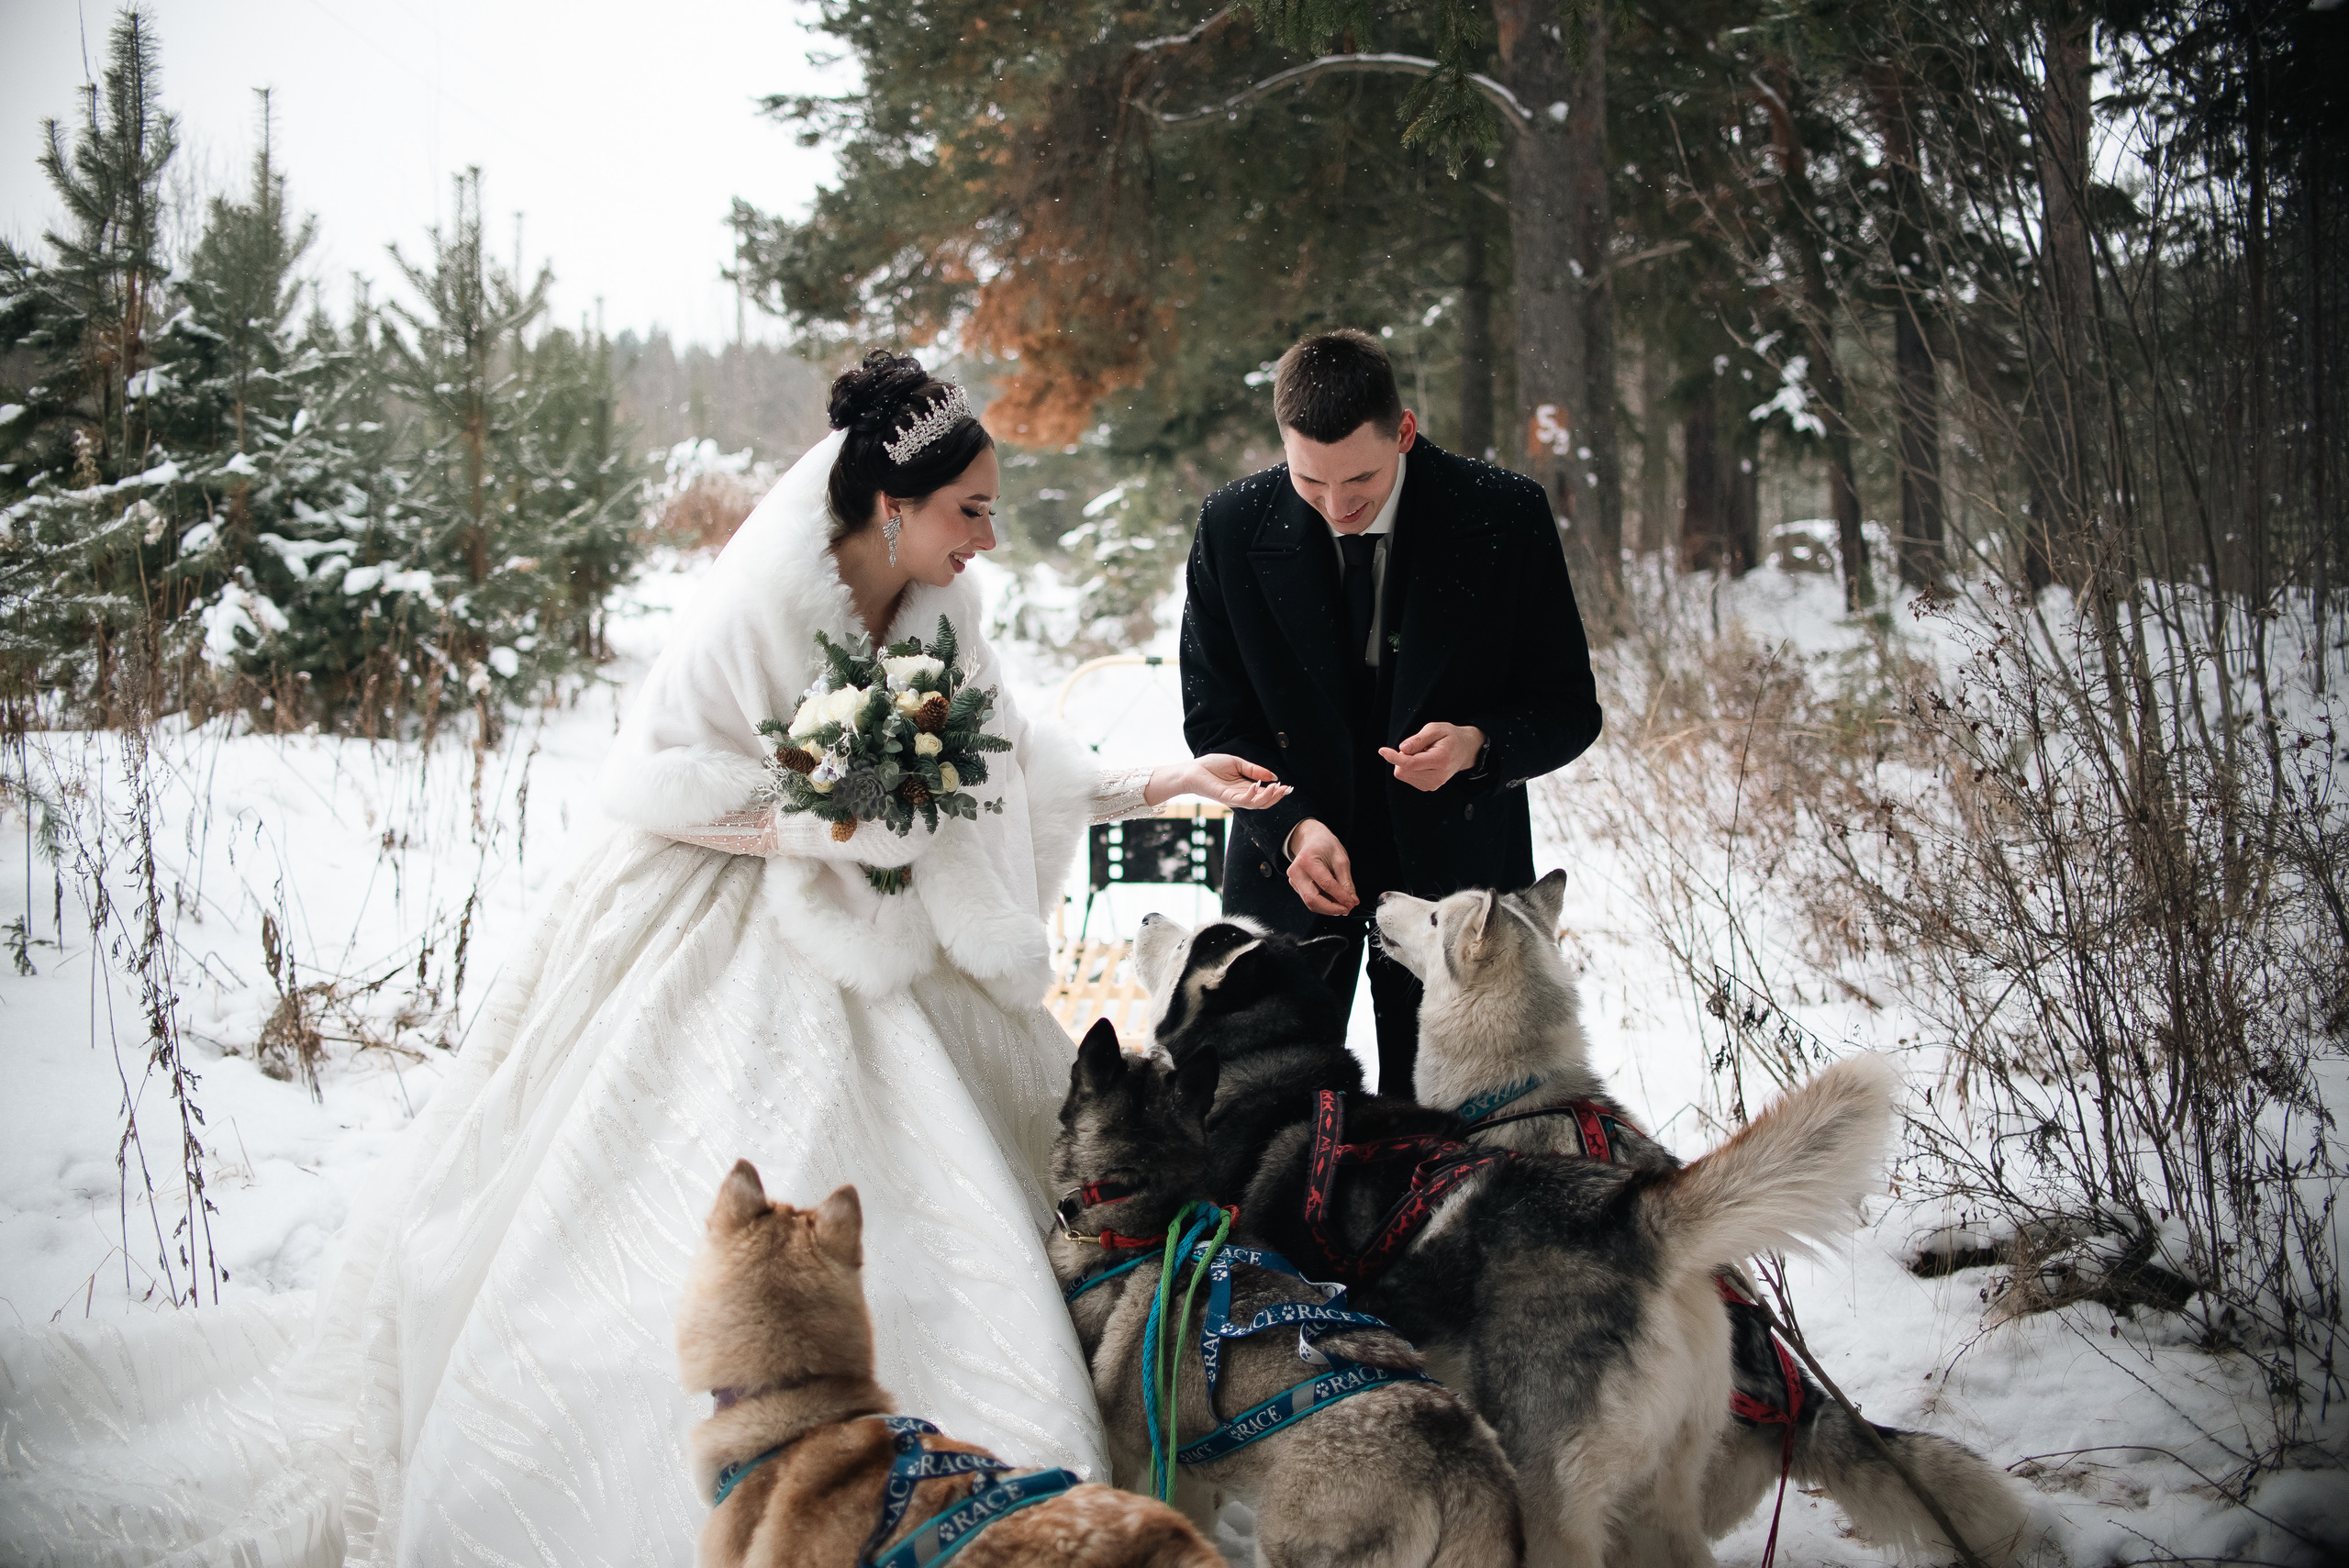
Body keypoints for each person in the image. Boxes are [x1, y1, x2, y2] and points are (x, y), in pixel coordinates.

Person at [0, 351, 1286, 1566]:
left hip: (881, 924)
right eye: (970, 509)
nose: (986, 538)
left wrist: (1166, 778)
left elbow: (1004, 753)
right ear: (891, 506)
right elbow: (657, 780)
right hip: (715, 913)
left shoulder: (948, 603)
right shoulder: (756, 599)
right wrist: (816, 813)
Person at [1180, 328, 1603, 1096]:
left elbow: (1570, 707)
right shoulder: (1230, 527)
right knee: (1271, 1127)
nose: (1338, 508)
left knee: (1444, 1144)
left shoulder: (1506, 515)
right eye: (1311, 483)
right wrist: (1292, 826)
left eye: (1362, 481)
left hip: (1458, 890)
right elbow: (1216, 723)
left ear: (1404, 432)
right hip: (1291, 871)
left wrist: (1481, 744)